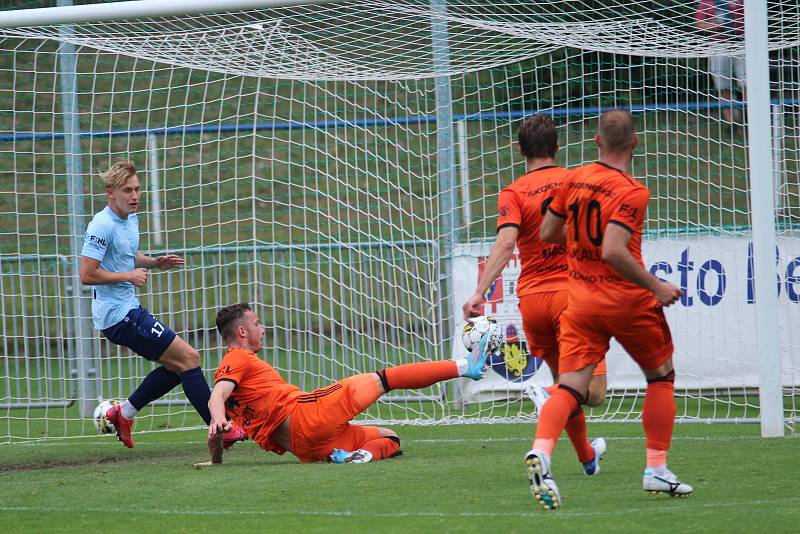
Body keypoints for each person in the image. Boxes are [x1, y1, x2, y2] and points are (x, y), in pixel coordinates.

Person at [526, 109, 692, 510]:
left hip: (581, 301)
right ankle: (656, 468)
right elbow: (614, 250)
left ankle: (542, 453)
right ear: (634, 143)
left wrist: (582, 238)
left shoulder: (575, 177)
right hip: (626, 302)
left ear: (597, 141)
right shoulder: (632, 190)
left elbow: (548, 232)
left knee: (571, 387)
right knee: (661, 377)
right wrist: (656, 285)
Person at [461, 114, 608, 480]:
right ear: (557, 147)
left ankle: (588, 458)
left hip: (534, 300)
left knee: (568, 384)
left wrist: (480, 293)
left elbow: (507, 241)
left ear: (519, 150)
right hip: (575, 296)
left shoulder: (513, 192)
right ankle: (549, 396)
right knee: (592, 392)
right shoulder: (576, 182)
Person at [199, 302, 495, 465]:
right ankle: (465, 366)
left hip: (308, 449)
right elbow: (217, 396)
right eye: (257, 323)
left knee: (390, 438)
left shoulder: (235, 383)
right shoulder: (237, 358)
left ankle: (359, 457)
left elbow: (217, 432)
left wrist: (216, 458)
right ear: (241, 330)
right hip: (310, 415)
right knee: (383, 379)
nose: (262, 329)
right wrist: (217, 416)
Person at [80, 161, 245, 449]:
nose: (134, 196)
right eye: (127, 190)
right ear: (110, 193)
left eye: (137, 189)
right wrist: (128, 276)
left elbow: (127, 254)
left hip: (128, 310)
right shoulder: (100, 225)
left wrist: (154, 263)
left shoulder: (130, 219)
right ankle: (220, 427)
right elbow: (86, 274)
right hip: (117, 316)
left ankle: (124, 414)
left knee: (177, 366)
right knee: (190, 358)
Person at [696, 0, 746, 125]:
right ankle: (733, 124)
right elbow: (698, 23)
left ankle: (751, 122)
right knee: (723, 87)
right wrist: (713, 26)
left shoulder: (744, 2)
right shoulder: (706, 2)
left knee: (747, 85)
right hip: (718, 45)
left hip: (742, 44)